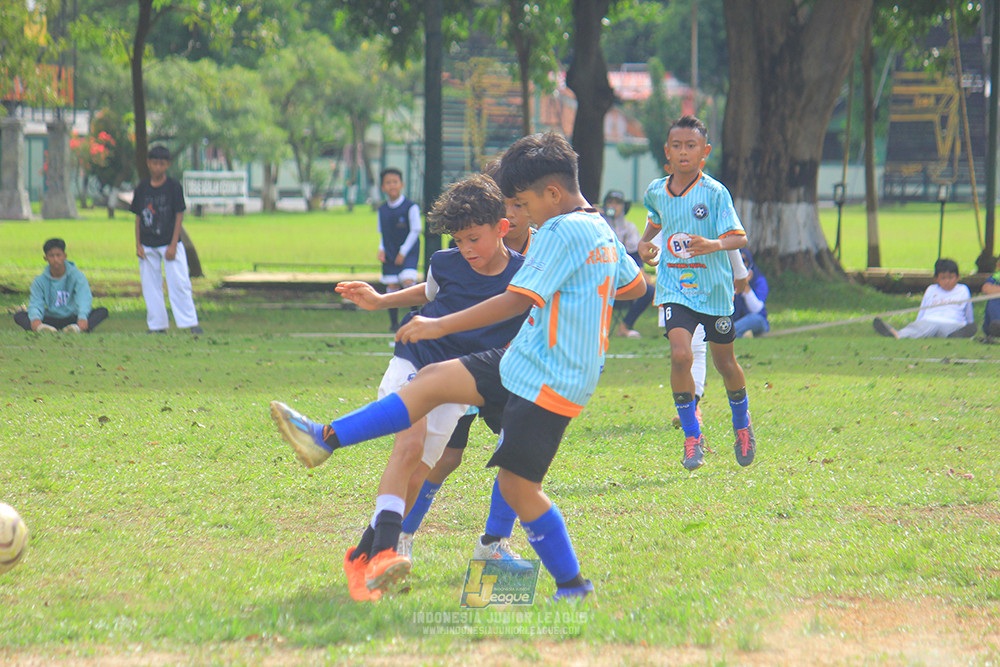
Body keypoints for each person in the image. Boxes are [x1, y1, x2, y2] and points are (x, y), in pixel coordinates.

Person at [271, 132, 647, 602]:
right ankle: (324, 437)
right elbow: (635, 286)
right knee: (430, 382)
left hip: (546, 375)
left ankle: (570, 586)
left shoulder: (559, 231)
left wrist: (437, 325)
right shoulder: (598, 231)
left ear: (552, 194)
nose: (520, 216)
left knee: (518, 486)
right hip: (524, 362)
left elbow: (514, 300)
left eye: (524, 205)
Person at [325, 173, 528, 601]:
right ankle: (383, 554)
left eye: (474, 239)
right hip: (416, 359)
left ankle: (361, 556)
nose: (467, 250)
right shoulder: (445, 261)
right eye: (459, 240)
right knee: (408, 448)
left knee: (420, 474)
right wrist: (382, 300)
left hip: (458, 382)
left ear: (502, 228)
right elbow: (432, 290)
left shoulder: (524, 277)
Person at [397, 163, 535, 563]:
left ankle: (494, 543)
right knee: (446, 457)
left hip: (503, 367)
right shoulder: (456, 256)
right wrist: (384, 300)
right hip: (456, 364)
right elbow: (432, 292)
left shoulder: (542, 251)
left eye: (520, 203)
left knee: (519, 445)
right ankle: (402, 532)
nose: (518, 210)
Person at [637, 115, 755, 472]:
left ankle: (742, 425)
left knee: (725, 364)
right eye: (677, 146)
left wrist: (713, 244)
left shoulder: (715, 193)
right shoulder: (656, 190)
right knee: (680, 355)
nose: (683, 152)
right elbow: (655, 224)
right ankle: (692, 435)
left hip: (714, 292)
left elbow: (739, 238)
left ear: (704, 153)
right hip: (675, 287)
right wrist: (644, 245)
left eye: (691, 146)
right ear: (667, 152)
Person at [130, 145, 203, 335]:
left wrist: (173, 244)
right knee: (150, 285)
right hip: (147, 243)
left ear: (167, 165)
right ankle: (157, 325)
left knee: (179, 282)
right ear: (148, 163)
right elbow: (138, 217)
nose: (157, 167)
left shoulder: (173, 187)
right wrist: (138, 244)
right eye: (154, 163)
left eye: (162, 164)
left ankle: (189, 323)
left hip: (170, 242)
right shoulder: (142, 188)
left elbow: (179, 215)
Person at [13, 238, 108, 333]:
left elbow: (83, 298)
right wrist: (36, 319)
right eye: (51, 256)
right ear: (45, 258)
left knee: (102, 311)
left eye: (58, 255)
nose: (55, 259)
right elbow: (36, 302)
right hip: (51, 318)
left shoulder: (77, 276)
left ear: (65, 256)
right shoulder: (40, 281)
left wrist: (82, 317)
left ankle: (76, 329)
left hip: (73, 317)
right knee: (19, 316)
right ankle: (43, 329)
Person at [873, 258, 975, 339]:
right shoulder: (931, 289)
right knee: (926, 327)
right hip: (930, 321)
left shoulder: (963, 289)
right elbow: (923, 310)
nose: (947, 281)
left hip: (954, 323)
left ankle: (957, 335)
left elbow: (968, 312)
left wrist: (970, 325)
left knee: (947, 329)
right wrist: (918, 323)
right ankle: (897, 334)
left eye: (951, 277)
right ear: (936, 279)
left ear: (958, 277)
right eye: (943, 278)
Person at [602, 190, 655, 338]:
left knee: (648, 290)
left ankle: (625, 326)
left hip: (622, 272)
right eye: (610, 202)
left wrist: (642, 272)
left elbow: (635, 255)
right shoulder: (598, 223)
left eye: (617, 203)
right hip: (601, 270)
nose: (614, 206)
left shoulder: (629, 228)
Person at [377, 168, 422, 332]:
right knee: (392, 285)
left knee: (408, 281)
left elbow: (416, 230)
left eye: (395, 182)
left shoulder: (411, 207)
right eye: (388, 183)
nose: (392, 186)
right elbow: (382, 233)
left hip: (407, 253)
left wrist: (403, 252)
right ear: (382, 187)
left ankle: (415, 318)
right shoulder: (382, 210)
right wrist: (381, 248)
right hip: (390, 252)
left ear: (401, 184)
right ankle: (394, 324)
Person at [732, 248, 769, 338]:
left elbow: (756, 309)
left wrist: (745, 285)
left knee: (755, 318)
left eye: (744, 261)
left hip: (755, 320)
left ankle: (730, 334)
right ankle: (743, 333)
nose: (741, 265)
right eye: (738, 261)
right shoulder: (728, 277)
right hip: (734, 320)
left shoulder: (759, 280)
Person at [980, 256, 1000, 340]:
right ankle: (997, 325)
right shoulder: (995, 278)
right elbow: (986, 288)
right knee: (994, 298)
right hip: (991, 324)